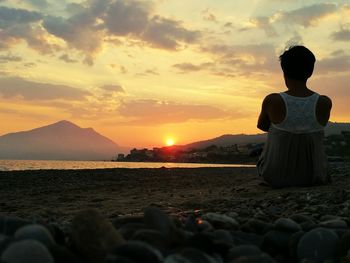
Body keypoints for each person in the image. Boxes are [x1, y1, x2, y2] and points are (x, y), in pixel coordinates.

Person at [257, 45, 332, 188]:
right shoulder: (324, 102)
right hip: (315, 176)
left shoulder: (273, 100)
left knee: (274, 129)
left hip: (275, 177)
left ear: (284, 71)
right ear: (310, 72)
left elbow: (262, 126)